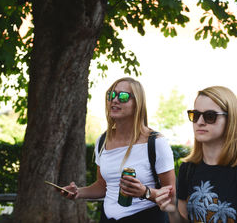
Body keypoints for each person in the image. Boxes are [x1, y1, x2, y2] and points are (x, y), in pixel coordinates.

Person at [154, 86, 237, 223]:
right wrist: (173, 211)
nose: (200, 122)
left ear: (230, 120)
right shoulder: (187, 169)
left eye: (210, 116)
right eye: (195, 115)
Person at [61, 77, 175, 222]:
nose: (114, 100)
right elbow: (103, 186)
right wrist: (78, 192)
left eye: (123, 96)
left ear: (137, 104)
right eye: (111, 95)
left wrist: (144, 192)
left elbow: (171, 197)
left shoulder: (156, 143)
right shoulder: (103, 140)